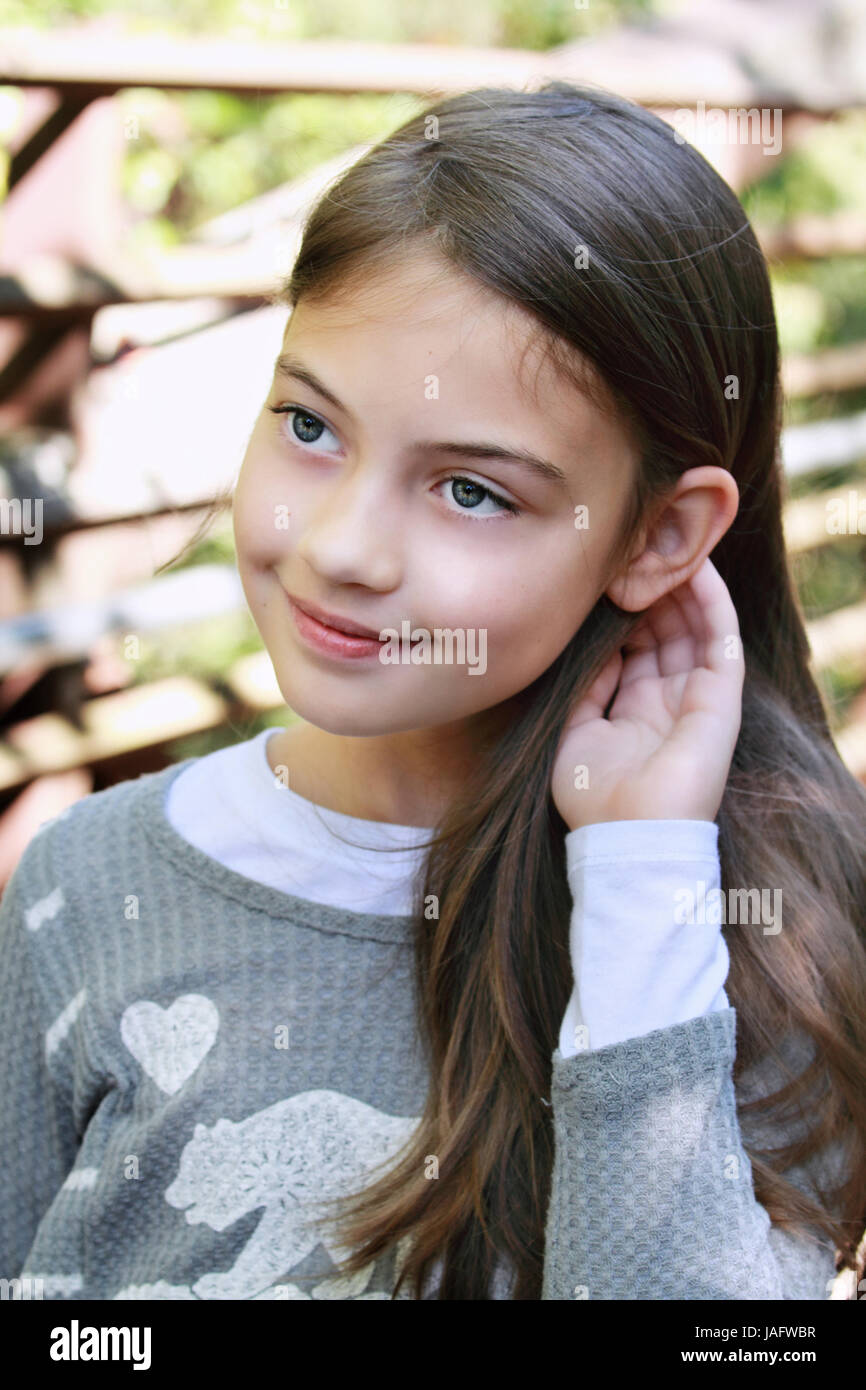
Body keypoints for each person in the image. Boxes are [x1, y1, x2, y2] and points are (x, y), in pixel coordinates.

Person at [1, 81, 865, 1302]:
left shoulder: (765, 932)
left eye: (470, 491)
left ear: (657, 538)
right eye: (308, 424)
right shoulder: (80, 887)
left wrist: (635, 876)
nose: (344, 546)